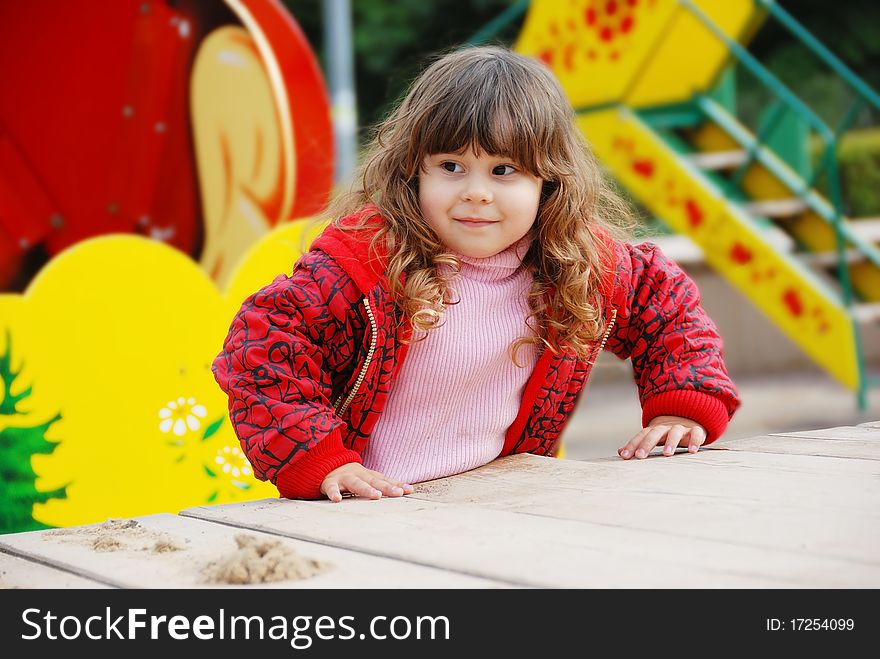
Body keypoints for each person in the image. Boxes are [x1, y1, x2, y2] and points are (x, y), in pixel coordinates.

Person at [212, 46, 741, 503]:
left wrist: (683, 407)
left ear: (548, 181)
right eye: (451, 167)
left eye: (503, 170)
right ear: (414, 168)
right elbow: (262, 344)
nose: (476, 192)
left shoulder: (577, 265)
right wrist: (320, 460)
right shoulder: (366, 260)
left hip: (494, 499)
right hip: (368, 508)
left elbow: (664, 302)